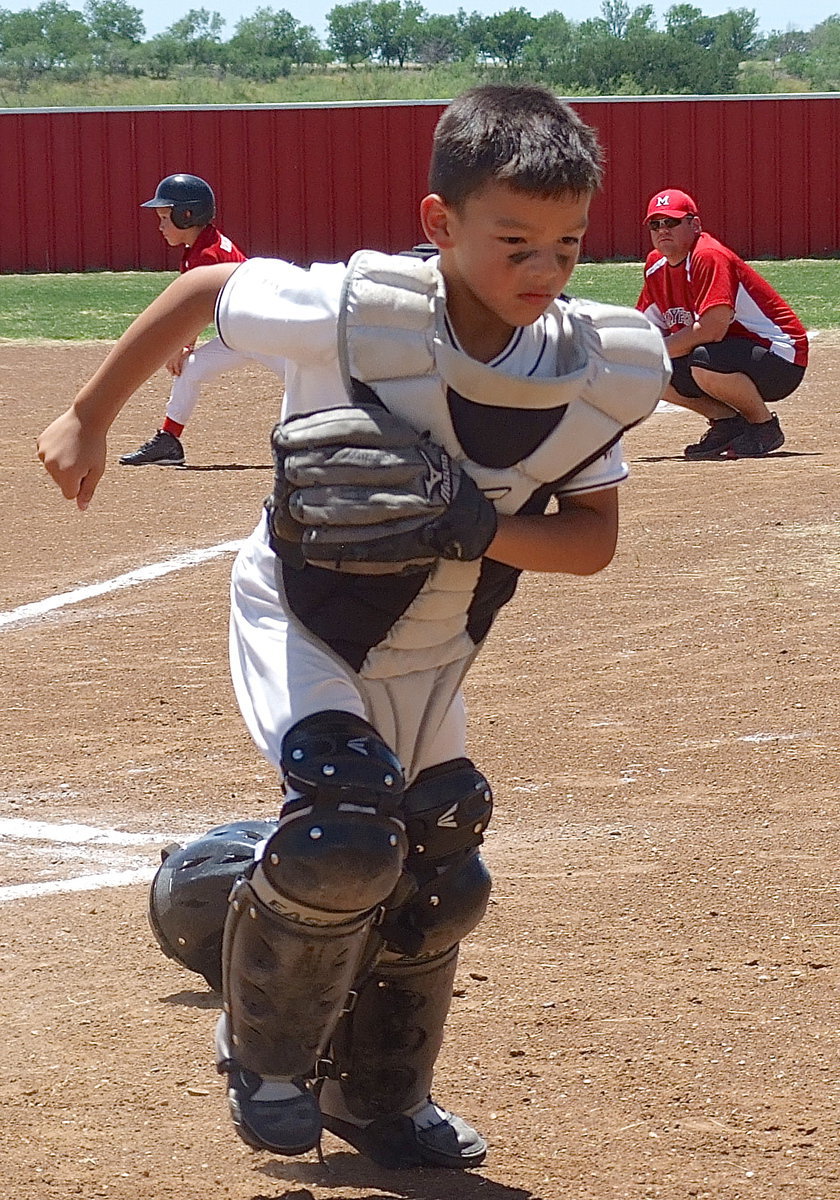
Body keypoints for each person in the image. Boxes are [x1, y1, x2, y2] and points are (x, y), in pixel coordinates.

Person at [37, 84, 670, 1171]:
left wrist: (476, 523)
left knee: (444, 856)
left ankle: (379, 1095)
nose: (542, 270)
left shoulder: (590, 370)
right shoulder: (353, 311)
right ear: (440, 223)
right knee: (345, 832)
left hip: (436, 641)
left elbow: (592, 540)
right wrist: (88, 414)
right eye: (512, 241)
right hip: (302, 613)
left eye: (565, 245)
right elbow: (207, 289)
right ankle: (268, 1055)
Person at [120, 173, 284, 467]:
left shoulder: (207, 254)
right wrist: (183, 349)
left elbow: (194, 311)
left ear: (187, 215)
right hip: (240, 332)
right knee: (191, 370)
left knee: (303, 382)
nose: (160, 226)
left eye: (165, 217)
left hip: (267, 329)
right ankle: (169, 440)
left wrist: (180, 346)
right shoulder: (196, 248)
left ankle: (307, 444)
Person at [637, 188, 808, 460]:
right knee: (646, 371)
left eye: (671, 222)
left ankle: (763, 426)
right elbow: (643, 327)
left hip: (781, 358)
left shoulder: (708, 255)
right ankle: (726, 422)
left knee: (702, 359)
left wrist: (653, 349)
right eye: (655, 224)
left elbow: (712, 330)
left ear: (695, 225)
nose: (662, 230)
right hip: (733, 352)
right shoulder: (655, 265)